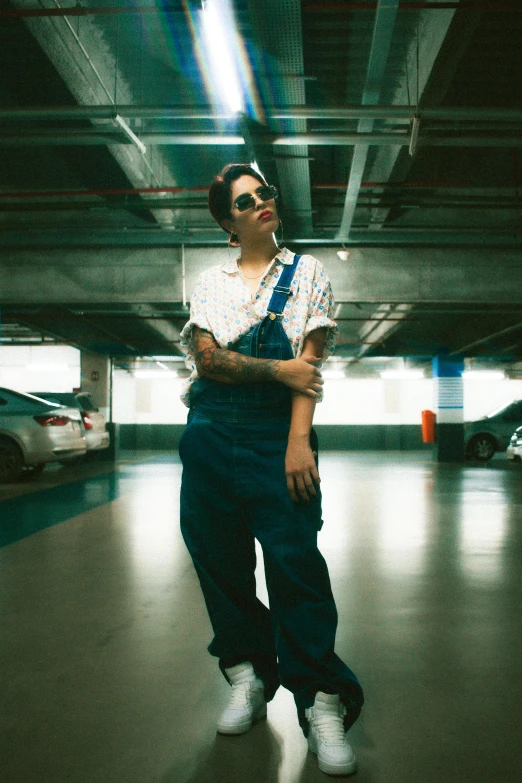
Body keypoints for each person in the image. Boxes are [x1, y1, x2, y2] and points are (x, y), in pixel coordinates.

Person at [179, 163, 364, 776]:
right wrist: (274, 370)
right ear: (228, 224)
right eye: (246, 200)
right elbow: (207, 361)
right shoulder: (209, 284)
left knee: (296, 566)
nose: (262, 202)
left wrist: (298, 442)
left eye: (265, 193)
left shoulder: (307, 273)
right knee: (219, 561)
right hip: (209, 434)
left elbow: (307, 369)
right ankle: (249, 676)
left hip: (275, 437)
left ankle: (320, 700)